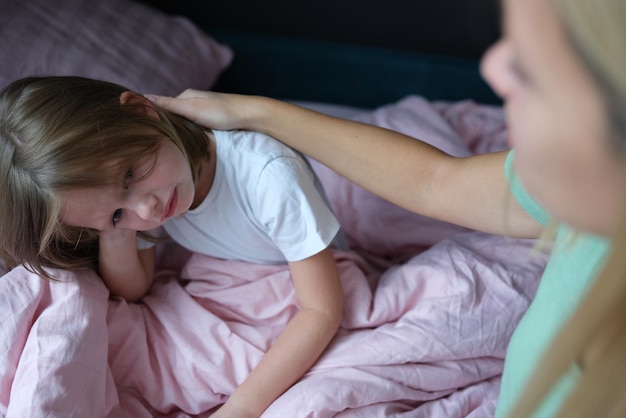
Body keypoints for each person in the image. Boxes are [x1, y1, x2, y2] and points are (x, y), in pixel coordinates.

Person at [145, 0, 626, 416]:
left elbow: (322, 308)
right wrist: (255, 112)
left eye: (540, 61)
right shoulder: (584, 172)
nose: (494, 69)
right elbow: (436, 182)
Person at [0, 75, 347, 418]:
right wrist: (113, 227)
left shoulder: (266, 175)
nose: (146, 209)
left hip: (305, 280)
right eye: (119, 213)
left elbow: (322, 310)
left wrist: (240, 408)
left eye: (130, 176)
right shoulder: (149, 191)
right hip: (233, 274)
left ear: (141, 112)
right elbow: (135, 287)